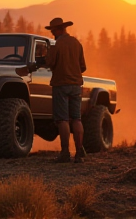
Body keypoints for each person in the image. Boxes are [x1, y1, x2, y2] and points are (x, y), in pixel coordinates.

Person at [45, 17, 86, 163]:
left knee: (62, 120)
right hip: (76, 85)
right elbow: (83, 67)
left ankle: (65, 153)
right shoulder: (77, 43)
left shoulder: (56, 45)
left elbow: (50, 63)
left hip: (61, 85)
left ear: (59, 29)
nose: (52, 33)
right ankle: (80, 152)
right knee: (76, 118)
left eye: (53, 30)